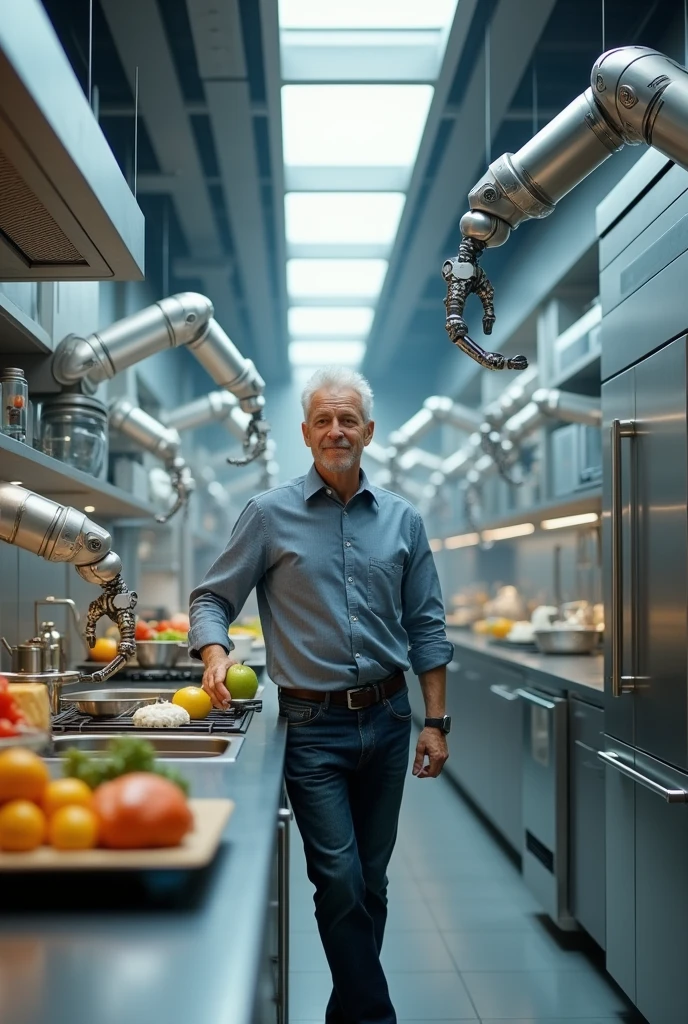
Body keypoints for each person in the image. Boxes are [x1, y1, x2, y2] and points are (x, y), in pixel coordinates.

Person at [188, 366, 454, 1024]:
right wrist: (215, 654)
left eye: (348, 419)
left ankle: (350, 1013)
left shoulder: (403, 521)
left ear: (369, 430)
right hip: (312, 727)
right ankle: (374, 1017)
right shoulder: (268, 514)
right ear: (306, 432)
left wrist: (436, 721)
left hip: (392, 720)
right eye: (324, 421)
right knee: (337, 880)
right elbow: (212, 599)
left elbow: (427, 625)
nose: (337, 430)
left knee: (372, 881)